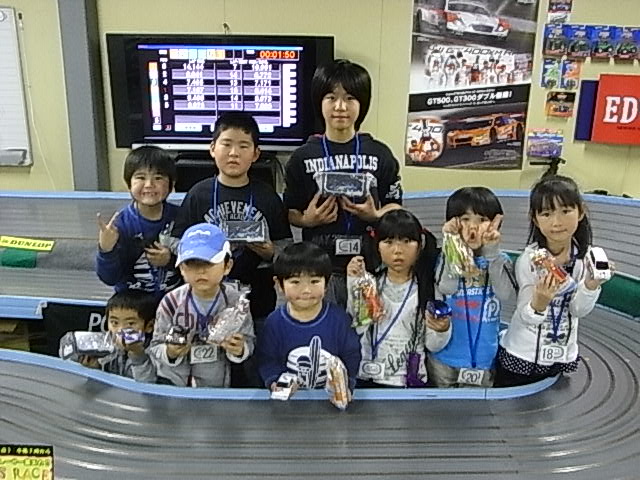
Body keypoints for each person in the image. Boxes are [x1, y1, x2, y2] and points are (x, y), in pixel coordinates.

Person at [283, 59, 403, 307]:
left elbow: (396, 205)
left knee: (366, 325)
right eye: (331, 97)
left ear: (362, 104)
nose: (340, 107)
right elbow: (289, 211)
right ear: (319, 102)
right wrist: (307, 220)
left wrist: (375, 215)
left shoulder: (380, 153)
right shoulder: (302, 157)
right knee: (322, 326)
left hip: (368, 264)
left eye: (350, 98)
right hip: (318, 269)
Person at [172, 111, 292, 319]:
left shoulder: (267, 196)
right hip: (206, 300)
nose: (234, 153)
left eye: (243, 146)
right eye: (226, 144)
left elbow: (287, 248)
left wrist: (270, 252)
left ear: (255, 154)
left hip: (258, 299)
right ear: (212, 148)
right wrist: (204, 250)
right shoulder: (198, 194)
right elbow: (177, 243)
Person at [496, 176, 610, 386]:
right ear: (535, 219)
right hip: (522, 354)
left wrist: (591, 286)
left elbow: (577, 310)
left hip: (561, 354)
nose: (557, 222)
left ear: (581, 212)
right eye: (546, 214)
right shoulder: (529, 261)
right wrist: (538, 304)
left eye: (565, 211)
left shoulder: (585, 259)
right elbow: (526, 316)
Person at [346, 209, 449, 387]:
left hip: (410, 381)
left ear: (420, 246)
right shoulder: (368, 285)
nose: (397, 250)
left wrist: (442, 330)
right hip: (368, 377)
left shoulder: (428, 290)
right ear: (377, 246)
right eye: (388, 242)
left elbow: (433, 345)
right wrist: (353, 283)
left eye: (407, 241)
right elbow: (357, 329)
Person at [428, 187, 516, 388]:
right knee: (441, 405)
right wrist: (452, 245)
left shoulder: (500, 260)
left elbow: (504, 293)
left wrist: (492, 253)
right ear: (452, 223)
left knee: (479, 407)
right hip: (445, 358)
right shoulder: (445, 258)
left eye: (482, 219)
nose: (473, 227)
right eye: (465, 219)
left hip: (484, 359)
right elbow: (447, 288)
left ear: (495, 223)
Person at [148, 223, 255, 387]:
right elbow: (155, 345)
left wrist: (239, 349)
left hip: (217, 384)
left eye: (209, 263)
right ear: (181, 268)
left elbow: (249, 341)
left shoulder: (236, 302)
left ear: (227, 266)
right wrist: (170, 352)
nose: (201, 271)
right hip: (174, 385)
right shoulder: (171, 302)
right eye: (192, 264)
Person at [257, 242, 361, 404]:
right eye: (295, 282)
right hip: (289, 403)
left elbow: (352, 355)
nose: (306, 290)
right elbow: (267, 360)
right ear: (279, 284)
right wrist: (275, 382)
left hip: (331, 402)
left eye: (314, 281)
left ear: (327, 283)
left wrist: (347, 386)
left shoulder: (340, 319)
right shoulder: (274, 322)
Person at [96, 146, 181, 300]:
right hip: (133, 305)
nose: (149, 184)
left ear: (172, 183)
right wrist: (106, 250)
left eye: (158, 177)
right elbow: (109, 278)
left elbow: (197, 267)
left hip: (174, 303)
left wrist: (171, 260)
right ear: (129, 183)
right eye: (141, 177)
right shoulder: (120, 225)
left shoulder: (182, 217)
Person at [76, 289, 157, 382]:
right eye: (114, 323)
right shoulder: (106, 345)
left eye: (130, 324)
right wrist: (95, 367)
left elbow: (147, 384)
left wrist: (137, 354)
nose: (120, 330)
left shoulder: (156, 352)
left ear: (149, 326)